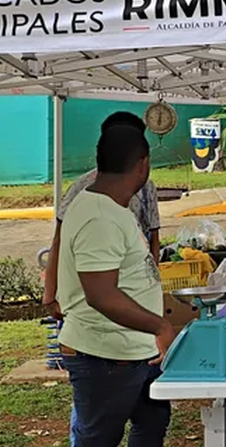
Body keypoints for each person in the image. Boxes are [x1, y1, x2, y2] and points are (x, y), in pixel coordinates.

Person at [58, 124, 174, 447]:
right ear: (143, 164)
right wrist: (160, 327)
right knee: (97, 442)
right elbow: (100, 294)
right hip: (105, 357)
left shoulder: (111, 207)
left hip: (134, 352)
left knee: (151, 425)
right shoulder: (98, 216)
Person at [43, 111, 161, 320]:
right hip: (92, 304)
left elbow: (153, 238)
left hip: (132, 295)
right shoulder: (82, 189)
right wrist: (50, 295)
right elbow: (59, 240)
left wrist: (152, 284)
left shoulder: (145, 188)